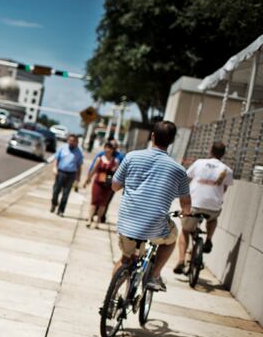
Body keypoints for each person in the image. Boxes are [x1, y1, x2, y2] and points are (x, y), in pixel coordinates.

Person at [111, 121, 191, 291]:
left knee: (125, 259)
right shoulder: (178, 170)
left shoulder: (131, 157)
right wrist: (185, 213)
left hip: (127, 223)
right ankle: (154, 275)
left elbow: (115, 186)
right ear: (172, 141)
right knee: (171, 239)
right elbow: (186, 203)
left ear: (152, 136)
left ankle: (111, 299)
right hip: (155, 226)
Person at [173, 141, 233, 274]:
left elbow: (186, 178)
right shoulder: (226, 170)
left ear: (210, 151)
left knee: (185, 230)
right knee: (213, 218)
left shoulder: (199, 163)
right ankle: (209, 239)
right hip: (213, 206)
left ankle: (181, 260)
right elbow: (224, 189)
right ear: (223, 154)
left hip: (194, 204)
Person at [82, 141, 120, 229]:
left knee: (103, 203)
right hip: (97, 182)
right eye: (106, 148)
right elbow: (94, 169)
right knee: (94, 201)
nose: (108, 150)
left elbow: (117, 173)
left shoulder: (115, 161)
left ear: (112, 150)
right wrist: (87, 179)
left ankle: (97, 221)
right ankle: (89, 219)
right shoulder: (100, 158)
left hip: (107, 184)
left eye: (110, 148)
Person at [50, 134, 84, 217]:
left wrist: (78, 178)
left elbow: (79, 165)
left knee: (66, 193)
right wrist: (54, 167)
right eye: (70, 140)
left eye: (73, 141)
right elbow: (56, 159)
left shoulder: (79, 152)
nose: (71, 142)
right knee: (56, 191)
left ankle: (61, 210)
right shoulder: (62, 148)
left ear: (76, 142)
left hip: (71, 174)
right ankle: (54, 203)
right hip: (60, 172)